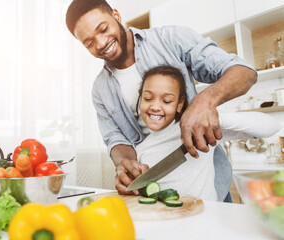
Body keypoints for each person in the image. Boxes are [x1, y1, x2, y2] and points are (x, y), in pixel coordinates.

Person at [65, 0, 258, 201]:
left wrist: (204, 101)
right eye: (89, 42)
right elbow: (116, 139)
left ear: (116, 15)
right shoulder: (100, 89)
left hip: (207, 182)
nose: (101, 43)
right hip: (154, 191)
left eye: (103, 29)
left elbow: (244, 72)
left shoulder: (171, 39)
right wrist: (126, 163)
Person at [135, 65, 279, 200]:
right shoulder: (140, 149)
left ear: (180, 104)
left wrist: (215, 120)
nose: (155, 106)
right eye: (148, 98)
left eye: (166, 101)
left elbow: (272, 126)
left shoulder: (199, 130)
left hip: (206, 218)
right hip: (167, 222)